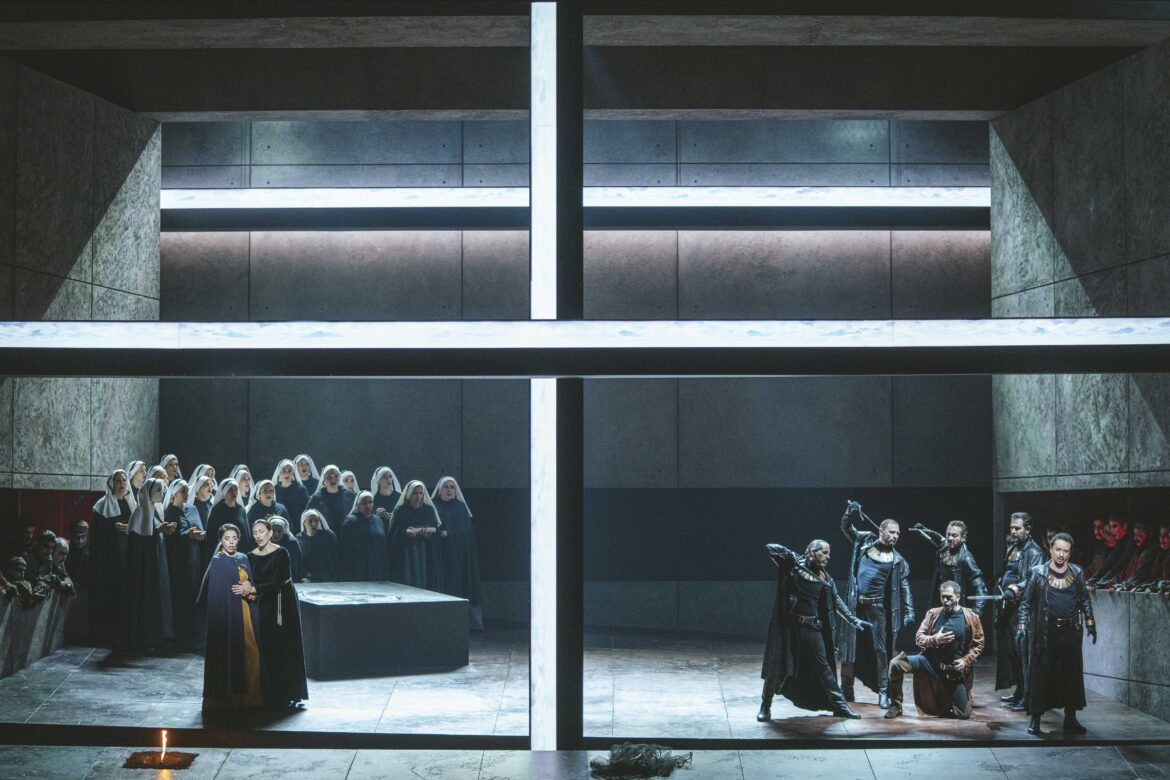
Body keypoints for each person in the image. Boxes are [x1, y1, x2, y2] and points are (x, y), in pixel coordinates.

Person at [759, 539, 865, 721]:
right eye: (824, 552)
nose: (828, 557)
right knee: (777, 666)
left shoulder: (825, 577)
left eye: (828, 553)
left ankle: (841, 707)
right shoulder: (794, 567)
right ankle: (765, 707)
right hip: (789, 628)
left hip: (811, 627)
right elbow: (770, 548)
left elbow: (836, 601)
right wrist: (792, 555)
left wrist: (853, 619)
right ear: (812, 552)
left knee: (824, 667)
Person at [1017, 532, 1096, 735]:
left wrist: (1090, 622)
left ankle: (1070, 719)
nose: (1061, 554)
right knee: (1041, 675)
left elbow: (1084, 599)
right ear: (1050, 549)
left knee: (1071, 675)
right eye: (1058, 549)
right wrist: (1022, 626)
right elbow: (1026, 602)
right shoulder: (1038, 573)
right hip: (1046, 633)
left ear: (1070, 553)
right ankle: (1035, 720)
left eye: (1066, 551)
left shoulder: (1077, 572)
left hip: (1070, 632)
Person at [837, 500, 914, 710]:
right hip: (855, 606)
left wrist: (909, 610)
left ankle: (883, 692)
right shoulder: (864, 541)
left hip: (877, 609)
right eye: (892, 532)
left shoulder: (898, 560)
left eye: (898, 533)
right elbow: (846, 527)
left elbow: (904, 586)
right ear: (881, 530)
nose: (895, 536)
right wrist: (849, 512)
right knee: (849, 649)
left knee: (881, 651)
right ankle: (846, 690)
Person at [885, 581, 984, 720]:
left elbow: (979, 644)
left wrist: (965, 660)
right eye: (943, 597)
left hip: (953, 670)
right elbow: (919, 638)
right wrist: (935, 639)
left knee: (963, 714)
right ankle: (895, 706)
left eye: (949, 597)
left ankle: (947, 699)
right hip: (930, 663)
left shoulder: (971, 617)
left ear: (957, 597)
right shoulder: (933, 614)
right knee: (896, 663)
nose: (945, 600)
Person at [237, 518, 308, 708]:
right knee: (264, 644)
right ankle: (266, 691)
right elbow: (248, 578)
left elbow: (277, 582)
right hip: (260, 602)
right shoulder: (250, 556)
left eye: (262, 532)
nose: (258, 536)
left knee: (282, 645)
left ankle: (286, 692)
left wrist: (253, 589)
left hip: (281, 603)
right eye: (255, 533)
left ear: (269, 533)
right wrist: (247, 586)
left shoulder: (281, 552)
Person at [197, 523, 263, 713]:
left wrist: (249, 588)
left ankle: (250, 697)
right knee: (228, 652)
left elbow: (250, 582)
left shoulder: (243, 558)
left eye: (234, 538)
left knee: (252, 651)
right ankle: (228, 699)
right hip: (227, 615)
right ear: (221, 540)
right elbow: (218, 594)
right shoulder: (218, 561)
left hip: (246, 611)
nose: (231, 542)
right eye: (227, 538)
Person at [997, 511, 1044, 711]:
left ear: (1028, 529)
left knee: (1024, 654)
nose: (1014, 531)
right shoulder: (1013, 548)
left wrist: (1015, 588)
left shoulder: (1034, 551)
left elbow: (1034, 579)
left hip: (1023, 610)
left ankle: (1028, 696)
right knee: (1012, 654)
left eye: (1017, 528)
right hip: (1009, 608)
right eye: (1012, 528)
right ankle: (1019, 690)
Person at [124, 478, 177, 652]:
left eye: (162, 490)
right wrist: (159, 530)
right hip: (144, 569)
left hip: (156, 564)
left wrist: (162, 529)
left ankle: (157, 636)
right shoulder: (140, 512)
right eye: (158, 490)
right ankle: (143, 638)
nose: (161, 494)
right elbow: (139, 542)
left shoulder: (153, 510)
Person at [909, 520, 989, 621]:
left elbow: (981, 589)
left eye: (954, 536)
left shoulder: (966, 559)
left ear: (963, 538)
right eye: (948, 534)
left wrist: (975, 614)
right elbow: (937, 536)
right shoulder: (944, 545)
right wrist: (923, 530)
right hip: (940, 605)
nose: (950, 538)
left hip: (956, 609)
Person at [432, 476, 484, 629]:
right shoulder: (433, 506)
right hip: (439, 556)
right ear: (440, 490)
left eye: (452, 487)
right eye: (445, 487)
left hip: (458, 557)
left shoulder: (460, 508)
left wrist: (451, 533)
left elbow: (466, 533)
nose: (449, 490)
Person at [91, 469, 134, 644]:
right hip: (109, 557)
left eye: (124, 480)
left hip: (127, 555)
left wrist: (128, 528)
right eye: (118, 481)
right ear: (112, 484)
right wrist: (112, 529)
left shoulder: (131, 504)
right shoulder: (102, 505)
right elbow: (97, 534)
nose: (122, 484)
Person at [163, 479, 206, 649]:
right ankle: (179, 631)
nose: (186, 495)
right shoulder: (169, 512)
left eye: (187, 491)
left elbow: (199, 529)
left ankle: (191, 630)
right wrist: (188, 534)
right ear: (174, 494)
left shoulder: (192, 509)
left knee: (193, 593)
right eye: (183, 492)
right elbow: (170, 539)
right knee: (179, 594)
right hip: (178, 561)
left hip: (193, 557)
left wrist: (198, 535)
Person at [388, 480, 444, 590]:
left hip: (425, 552)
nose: (418, 496)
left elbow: (436, 532)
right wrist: (405, 533)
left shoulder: (428, 510)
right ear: (409, 494)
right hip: (406, 554)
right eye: (415, 493)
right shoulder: (400, 511)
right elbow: (392, 534)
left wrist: (430, 535)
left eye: (420, 493)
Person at [338, 491, 390, 581]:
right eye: (364, 503)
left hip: (376, 568)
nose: (368, 505)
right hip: (357, 569)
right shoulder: (350, 522)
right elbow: (344, 549)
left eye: (370, 502)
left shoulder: (378, 521)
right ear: (358, 505)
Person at [306, 465, 355, 534]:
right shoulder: (316, 499)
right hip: (324, 536)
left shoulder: (350, 496)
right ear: (324, 479)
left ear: (339, 478)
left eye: (336, 476)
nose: (333, 480)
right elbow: (308, 517)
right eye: (329, 477)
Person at [207, 479, 249, 556]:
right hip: (222, 554)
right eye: (230, 490)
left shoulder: (241, 510)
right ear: (224, 492)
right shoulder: (217, 511)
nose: (234, 492)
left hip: (240, 553)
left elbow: (246, 534)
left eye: (235, 489)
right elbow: (211, 536)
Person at [1088, 514, 1133, 586]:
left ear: (1124, 526)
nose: (1112, 531)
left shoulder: (1130, 543)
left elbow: (1120, 565)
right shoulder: (1120, 544)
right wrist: (1094, 579)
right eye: (1111, 527)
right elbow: (1107, 565)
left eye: (1114, 526)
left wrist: (1104, 580)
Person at [297, 509, 337, 583]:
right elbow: (296, 561)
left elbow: (333, 559)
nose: (314, 524)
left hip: (325, 578)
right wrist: (305, 574)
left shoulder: (328, 536)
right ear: (304, 522)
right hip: (306, 579)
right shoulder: (298, 539)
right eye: (310, 521)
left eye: (316, 521)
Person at [272, 459, 310, 534]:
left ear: (293, 473)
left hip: (297, 527)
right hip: (279, 528)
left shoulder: (301, 489)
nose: (287, 473)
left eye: (289, 471)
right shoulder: (274, 490)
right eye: (284, 471)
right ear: (279, 473)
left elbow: (306, 509)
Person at [269, 517, 304, 583]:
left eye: (279, 531)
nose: (276, 534)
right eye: (273, 531)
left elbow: (295, 564)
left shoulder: (291, 543)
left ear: (284, 531)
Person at [65, 520, 91, 591]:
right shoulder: (64, 551)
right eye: (76, 537)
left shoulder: (91, 553)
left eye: (83, 536)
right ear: (71, 536)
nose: (80, 541)